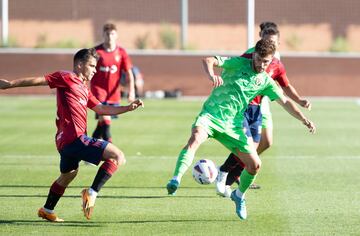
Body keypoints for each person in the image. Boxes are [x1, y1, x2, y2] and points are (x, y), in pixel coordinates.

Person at [166, 39, 316, 220]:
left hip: (232, 126)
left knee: (255, 165)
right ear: (254, 55)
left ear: (271, 61)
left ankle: (239, 195)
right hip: (211, 116)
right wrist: (211, 75)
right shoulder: (238, 63)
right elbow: (208, 60)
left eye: (266, 62)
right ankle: (176, 178)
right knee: (195, 138)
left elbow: (284, 101)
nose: (262, 64)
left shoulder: (266, 81)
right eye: (259, 59)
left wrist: (304, 119)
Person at [0, 48, 144, 222]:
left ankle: (47, 209)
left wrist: (127, 108)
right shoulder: (66, 77)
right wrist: (10, 84)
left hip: (66, 143)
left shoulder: (84, 89)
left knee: (69, 174)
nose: (94, 70)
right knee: (117, 156)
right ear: (79, 64)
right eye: (91, 66)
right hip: (74, 138)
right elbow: (39, 80)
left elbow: (101, 108)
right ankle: (91, 194)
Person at [215, 23, 312, 197]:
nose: (269, 45)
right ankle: (230, 174)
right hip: (246, 104)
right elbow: (234, 70)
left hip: (263, 104)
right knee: (250, 147)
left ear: (278, 44)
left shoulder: (276, 61)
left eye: (273, 42)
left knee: (266, 143)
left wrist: (299, 100)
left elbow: (284, 85)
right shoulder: (252, 55)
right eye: (266, 41)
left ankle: (236, 169)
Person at [90, 23, 136, 143]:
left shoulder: (121, 52)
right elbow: (87, 69)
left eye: (112, 34)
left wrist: (132, 92)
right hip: (98, 92)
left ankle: (88, 151)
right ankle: (110, 154)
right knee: (106, 121)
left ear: (116, 35)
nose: (110, 36)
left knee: (101, 123)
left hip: (114, 94)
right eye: (107, 34)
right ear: (103, 35)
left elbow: (129, 73)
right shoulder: (96, 52)